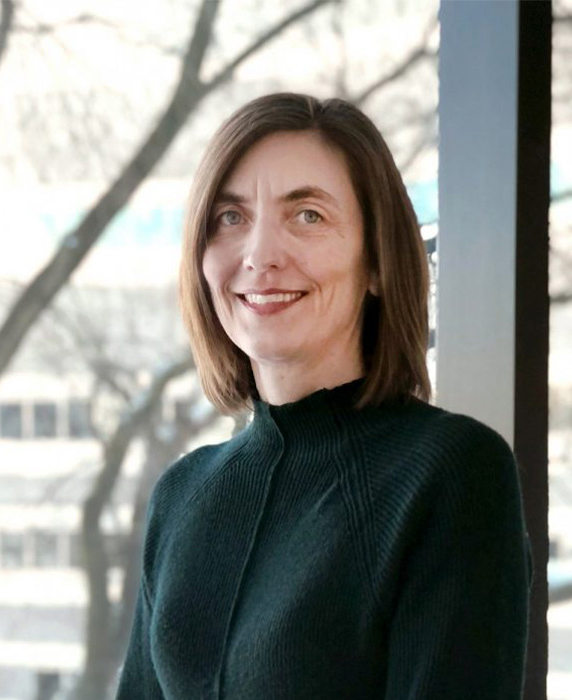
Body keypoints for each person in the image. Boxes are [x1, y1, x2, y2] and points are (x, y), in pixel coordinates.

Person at [115, 92, 532, 700]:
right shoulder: (183, 495)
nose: (260, 256)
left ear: (377, 261)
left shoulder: (451, 473)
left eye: (307, 215)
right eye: (230, 218)